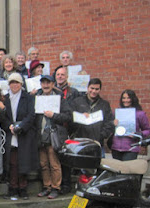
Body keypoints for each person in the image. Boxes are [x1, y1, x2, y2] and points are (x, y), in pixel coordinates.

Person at [34, 75, 71, 200]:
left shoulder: (60, 99)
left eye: (48, 83)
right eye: (43, 83)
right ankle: (47, 187)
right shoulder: (36, 97)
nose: (45, 85)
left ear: (53, 84)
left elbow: (68, 116)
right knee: (43, 164)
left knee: (54, 163)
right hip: (41, 135)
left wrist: (53, 115)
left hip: (54, 135)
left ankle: (56, 187)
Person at [3, 73, 37, 200]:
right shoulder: (5, 98)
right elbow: (4, 117)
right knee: (12, 162)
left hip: (24, 134)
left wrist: (21, 127)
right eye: (12, 82)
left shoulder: (27, 97)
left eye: (17, 82)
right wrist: (10, 127)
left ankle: (23, 188)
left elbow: (31, 115)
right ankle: (13, 188)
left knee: (23, 160)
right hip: (11, 134)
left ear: (21, 84)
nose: (14, 85)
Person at [70, 78, 115, 154]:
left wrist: (101, 135)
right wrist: (80, 116)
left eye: (97, 89)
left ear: (100, 90)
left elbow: (109, 123)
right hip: (79, 142)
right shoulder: (77, 102)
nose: (94, 91)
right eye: (92, 88)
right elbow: (70, 119)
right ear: (88, 88)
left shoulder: (104, 104)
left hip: (97, 143)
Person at [54, 66, 79, 195]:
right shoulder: (52, 91)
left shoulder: (73, 92)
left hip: (68, 128)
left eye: (62, 74)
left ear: (67, 76)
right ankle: (57, 184)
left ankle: (66, 184)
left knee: (66, 158)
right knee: (55, 158)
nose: (60, 76)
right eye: (58, 74)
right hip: (55, 128)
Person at [111, 90, 150, 161]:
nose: (126, 100)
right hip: (116, 148)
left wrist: (138, 134)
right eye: (124, 98)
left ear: (133, 99)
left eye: (128, 98)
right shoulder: (116, 113)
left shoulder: (140, 114)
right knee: (117, 171)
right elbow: (109, 127)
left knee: (126, 171)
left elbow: (148, 130)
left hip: (131, 148)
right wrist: (112, 123)